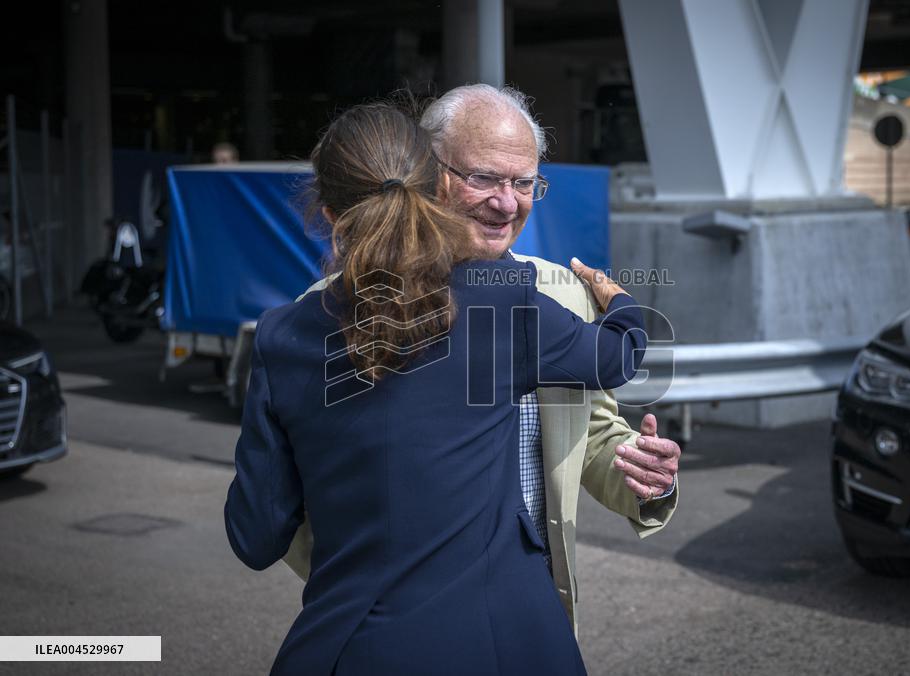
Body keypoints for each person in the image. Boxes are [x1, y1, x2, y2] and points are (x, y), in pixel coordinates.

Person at [224, 102, 647, 674]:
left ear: (328, 213)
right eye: (485, 178)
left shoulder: (284, 335)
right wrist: (621, 303)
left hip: (349, 644)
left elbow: (256, 538)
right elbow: (619, 355)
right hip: (512, 641)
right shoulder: (509, 301)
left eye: (523, 182)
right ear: (436, 186)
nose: (506, 199)